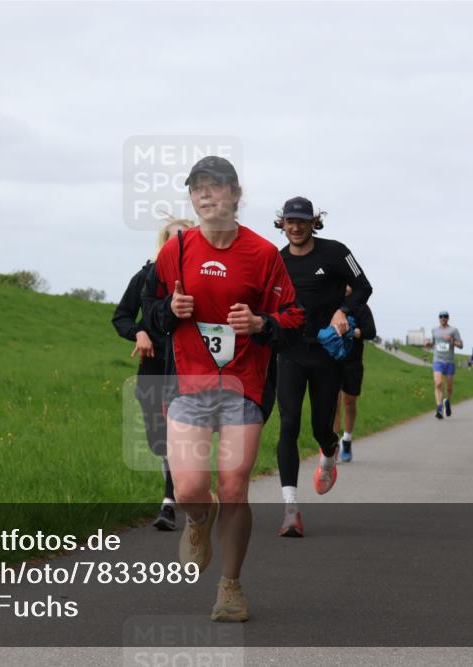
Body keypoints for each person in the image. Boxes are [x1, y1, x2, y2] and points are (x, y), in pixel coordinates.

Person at [142, 156, 303, 622]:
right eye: (198, 191)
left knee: (234, 487)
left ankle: (230, 587)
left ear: (235, 196)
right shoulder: (176, 250)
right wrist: (169, 311)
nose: (207, 197)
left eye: (216, 189)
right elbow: (148, 310)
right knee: (192, 487)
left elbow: (293, 321)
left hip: (244, 386)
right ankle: (197, 518)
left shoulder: (263, 255)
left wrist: (261, 324)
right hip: (189, 384)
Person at [273, 196, 372, 537]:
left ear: (314, 222)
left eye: (303, 221)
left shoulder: (335, 252)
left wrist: (343, 310)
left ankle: (328, 454)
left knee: (319, 428)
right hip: (290, 352)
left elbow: (364, 285)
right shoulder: (275, 260)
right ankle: (290, 510)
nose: (296, 227)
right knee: (288, 423)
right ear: (282, 223)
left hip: (327, 355)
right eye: (290, 221)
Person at [112, 217, 193, 531]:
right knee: (158, 440)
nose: (179, 246)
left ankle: (169, 503)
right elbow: (121, 316)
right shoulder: (146, 276)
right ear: (164, 243)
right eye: (174, 240)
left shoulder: (201, 280)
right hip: (153, 366)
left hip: (187, 369)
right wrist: (138, 334)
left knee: (178, 437)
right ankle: (182, 492)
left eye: (186, 240)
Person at [332, 292, 376, 463]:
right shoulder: (332, 303)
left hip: (353, 363)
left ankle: (347, 439)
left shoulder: (361, 308)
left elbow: (371, 332)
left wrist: (353, 331)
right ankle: (333, 446)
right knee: (333, 405)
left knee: (349, 402)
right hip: (333, 360)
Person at [431, 311, 463, 419]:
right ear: (439, 318)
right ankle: (439, 407)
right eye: (441, 316)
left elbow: (461, 345)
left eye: (445, 316)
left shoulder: (453, 330)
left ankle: (447, 401)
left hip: (449, 361)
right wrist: (428, 344)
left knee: (449, 388)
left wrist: (452, 340)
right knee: (438, 383)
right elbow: (433, 343)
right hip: (437, 360)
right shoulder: (434, 330)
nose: (443, 318)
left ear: (448, 318)